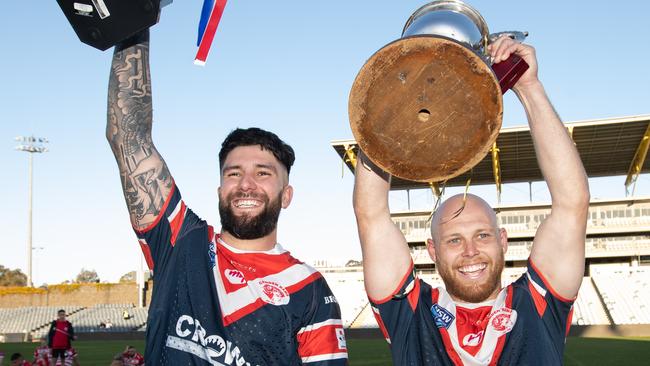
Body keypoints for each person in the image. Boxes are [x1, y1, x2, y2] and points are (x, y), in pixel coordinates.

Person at [105, 29, 348, 365]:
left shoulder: (309, 288)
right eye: (234, 173)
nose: (246, 184)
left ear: (287, 195)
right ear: (221, 190)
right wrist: (134, 24)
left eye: (263, 173)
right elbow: (129, 140)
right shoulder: (182, 243)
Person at [353, 36, 590, 365]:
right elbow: (371, 215)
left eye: (482, 234)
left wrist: (528, 87)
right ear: (433, 250)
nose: (470, 252)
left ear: (502, 240)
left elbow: (572, 202)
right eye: (453, 239)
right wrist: (386, 109)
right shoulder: (409, 311)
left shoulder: (538, 303)